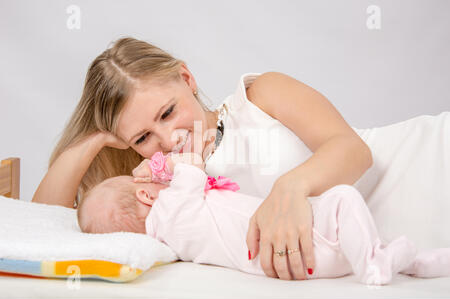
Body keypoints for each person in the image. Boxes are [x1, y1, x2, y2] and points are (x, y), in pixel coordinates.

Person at [32, 36, 449, 281]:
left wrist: (290, 188)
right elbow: (41, 226)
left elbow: (354, 152)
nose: (168, 139)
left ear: (187, 79)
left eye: (167, 112)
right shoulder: (166, 193)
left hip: (425, 167)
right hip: (389, 253)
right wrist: (93, 139)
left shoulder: (258, 95)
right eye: (142, 136)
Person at [76, 151, 450, 285]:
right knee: (343, 198)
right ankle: (374, 265)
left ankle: (411, 263)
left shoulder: (169, 242)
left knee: (341, 216)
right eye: (140, 182)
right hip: (298, 244)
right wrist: (163, 166)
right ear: (145, 193)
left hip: (296, 257)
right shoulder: (173, 208)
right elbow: (191, 165)